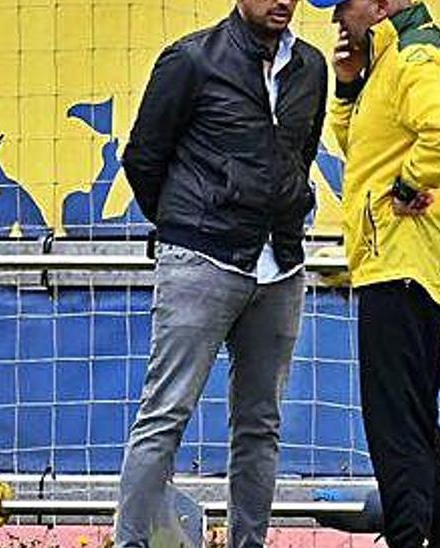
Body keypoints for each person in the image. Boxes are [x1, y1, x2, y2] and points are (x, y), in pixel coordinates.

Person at [115, 0, 327, 545]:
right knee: (165, 416)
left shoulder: (312, 68)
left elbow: (299, 157)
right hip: (200, 261)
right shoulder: (190, 60)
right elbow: (143, 157)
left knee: (260, 426)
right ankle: (130, 542)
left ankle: (248, 542)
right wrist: (189, 224)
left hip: (280, 266)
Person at [310, 0, 440, 546]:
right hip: (406, 260)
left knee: (393, 425)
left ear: (383, 3)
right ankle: (436, 538)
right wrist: (346, 86)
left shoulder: (416, 54)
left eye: (345, 4)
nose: (337, 17)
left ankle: (412, 539)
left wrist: (408, 187)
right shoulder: (390, 56)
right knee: (413, 416)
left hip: (404, 257)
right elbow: (361, 151)